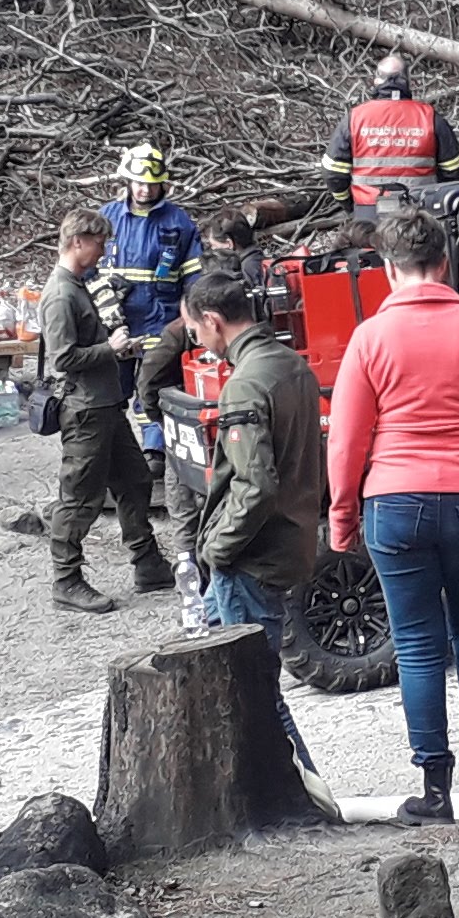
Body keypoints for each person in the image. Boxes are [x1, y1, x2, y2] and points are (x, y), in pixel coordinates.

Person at [326, 204, 459, 824]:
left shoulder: (369, 339)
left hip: (394, 502)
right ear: (445, 262)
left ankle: (436, 790)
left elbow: (346, 440)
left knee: (417, 645)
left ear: (389, 269)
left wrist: (341, 518)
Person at [182, 267, 324, 778]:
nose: (198, 341)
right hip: (288, 544)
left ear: (214, 321)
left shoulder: (245, 385)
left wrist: (218, 547)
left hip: (252, 558)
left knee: (256, 693)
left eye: (196, 331)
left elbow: (254, 486)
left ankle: (309, 796)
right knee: (234, 685)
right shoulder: (292, 365)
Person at [38, 210, 172, 612]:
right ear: (78, 241)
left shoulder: (78, 285)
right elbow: (63, 358)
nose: (104, 250)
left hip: (106, 406)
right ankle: (66, 580)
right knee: (79, 499)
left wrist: (118, 348)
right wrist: (109, 350)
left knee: (135, 483)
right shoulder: (60, 294)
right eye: (99, 243)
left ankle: (148, 563)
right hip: (84, 412)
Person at [101, 144, 204, 466]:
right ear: (128, 181)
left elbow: (193, 274)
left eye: (151, 183)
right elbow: (90, 268)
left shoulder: (178, 221)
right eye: (139, 182)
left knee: (154, 386)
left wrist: (191, 315)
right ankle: (118, 452)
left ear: (163, 183)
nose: (145, 189)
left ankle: (154, 453)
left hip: (161, 318)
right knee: (114, 390)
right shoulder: (109, 217)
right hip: (116, 319)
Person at [325, 54, 459, 213]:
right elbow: (454, 167)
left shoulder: (355, 118)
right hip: (420, 211)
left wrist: (349, 204)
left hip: (369, 210)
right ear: (408, 81)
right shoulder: (429, 117)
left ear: (376, 81)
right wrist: (433, 193)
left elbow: (333, 172)